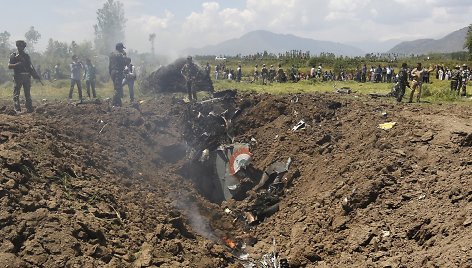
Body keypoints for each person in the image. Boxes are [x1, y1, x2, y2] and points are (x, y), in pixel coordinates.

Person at [8, 40, 41, 113]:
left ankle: (29, 108)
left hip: (26, 76)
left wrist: (35, 75)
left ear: (24, 47)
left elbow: (30, 67)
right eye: (19, 46)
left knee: (27, 94)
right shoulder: (13, 55)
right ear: (17, 46)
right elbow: (9, 66)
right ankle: (17, 110)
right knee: (16, 94)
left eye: (22, 46)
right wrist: (17, 65)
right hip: (18, 76)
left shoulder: (26, 56)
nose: (21, 47)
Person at [109, 42, 127, 107]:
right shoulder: (119, 55)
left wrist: (110, 73)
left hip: (112, 72)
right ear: (120, 48)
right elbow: (124, 63)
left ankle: (119, 103)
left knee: (116, 88)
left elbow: (110, 65)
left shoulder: (111, 54)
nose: (123, 49)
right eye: (122, 48)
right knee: (118, 89)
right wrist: (124, 55)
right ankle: (113, 104)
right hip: (117, 72)